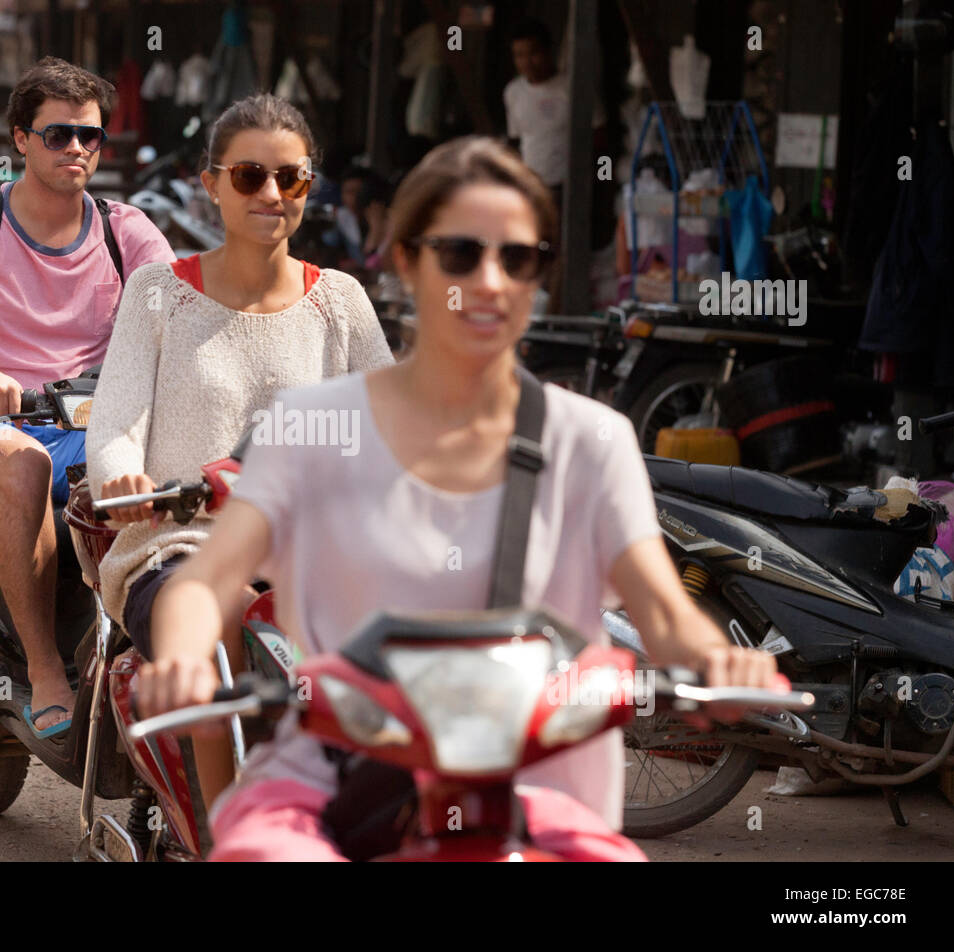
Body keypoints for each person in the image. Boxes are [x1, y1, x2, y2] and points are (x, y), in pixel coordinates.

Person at [134, 136, 783, 861]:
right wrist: (186, 656)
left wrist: (721, 663)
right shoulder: (309, 429)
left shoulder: (593, 441)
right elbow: (207, 579)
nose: (492, 281)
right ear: (407, 260)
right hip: (336, 798)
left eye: (519, 259)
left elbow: (665, 616)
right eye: (461, 254)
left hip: (541, 808)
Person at [83, 92, 392, 793]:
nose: (272, 194)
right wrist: (122, 479)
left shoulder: (342, 301)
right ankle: (221, 827)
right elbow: (115, 427)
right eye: (250, 176)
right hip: (176, 547)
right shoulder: (158, 292)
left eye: (293, 178)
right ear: (211, 183)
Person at [0, 57, 174, 737]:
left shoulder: (127, 232)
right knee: (25, 465)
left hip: (89, 423)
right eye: (58, 135)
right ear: (20, 138)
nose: (77, 149)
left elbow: (181, 320)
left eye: (90, 136)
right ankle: (46, 669)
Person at [503, 17, 605, 218]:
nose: (527, 62)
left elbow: (600, 135)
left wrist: (601, 181)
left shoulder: (573, 88)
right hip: (531, 187)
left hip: (570, 187)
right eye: (519, 55)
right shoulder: (512, 92)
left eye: (533, 53)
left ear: (548, 51)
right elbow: (516, 140)